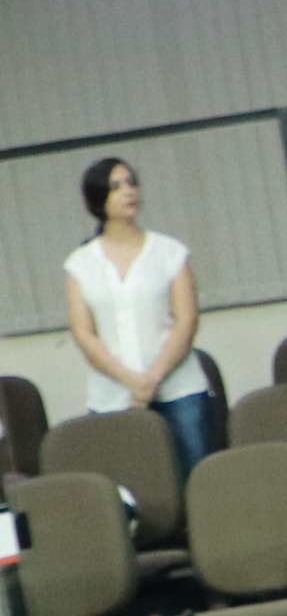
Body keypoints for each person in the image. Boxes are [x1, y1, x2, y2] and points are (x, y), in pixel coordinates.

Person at [62, 157, 214, 466]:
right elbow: (84, 334)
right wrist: (132, 381)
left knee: (197, 474)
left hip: (178, 389)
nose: (128, 191)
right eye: (116, 187)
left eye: (131, 183)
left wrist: (151, 379)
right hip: (114, 395)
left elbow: (186, 321)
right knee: (129, 479)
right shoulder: (80, 263)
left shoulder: (169, 251)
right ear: (97, 198)